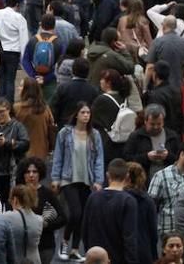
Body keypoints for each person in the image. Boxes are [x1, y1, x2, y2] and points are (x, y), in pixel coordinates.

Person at [50, 103, 105, 261]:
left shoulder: (94, 135)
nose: (86, 115)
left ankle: (75, 249)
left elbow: (99, 159)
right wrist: (55, 178)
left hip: (87, 179)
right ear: (76, 114)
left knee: (83, 216)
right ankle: (65, 242)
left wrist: (99, 179)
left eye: (88, 112)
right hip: (68, 178)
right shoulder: (65, 133)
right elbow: (58, 157)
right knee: (75, 212)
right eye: (83, 112)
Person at [81, 159, 142, 264]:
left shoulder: (93, 197)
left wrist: (90, 254)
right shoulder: (128, 201)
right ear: (127, 176)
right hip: (119, 259)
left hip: (96, 258)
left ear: (107, 175)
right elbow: (129, 237)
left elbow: (85, 230)